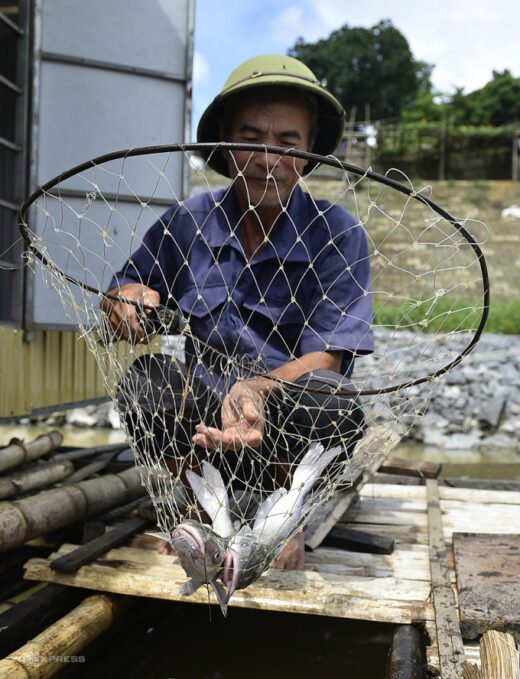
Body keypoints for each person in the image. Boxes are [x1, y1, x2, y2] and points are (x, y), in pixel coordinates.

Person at [103, 54, 374, 570]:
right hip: (203, 427)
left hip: (282, 428)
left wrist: (254, 388)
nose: (267, 158)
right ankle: (199, 504)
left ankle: (282, 516)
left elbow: (330, 358)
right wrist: (129, 297)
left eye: (287, 143)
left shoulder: (339, 234)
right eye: (251, 138)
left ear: (309, 149)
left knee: (333, 399)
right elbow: (127, 285)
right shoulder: (187, 222)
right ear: (226, 139)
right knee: (148, 381)